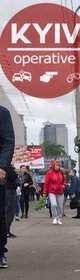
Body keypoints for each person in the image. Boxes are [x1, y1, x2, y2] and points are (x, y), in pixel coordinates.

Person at [0, 105, 15, 268]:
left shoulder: (2, 113)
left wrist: (2, 166)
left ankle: (0, 252)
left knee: (0, 213)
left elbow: (8, 142)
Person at [43, 160, 66, 225]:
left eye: (58, 166)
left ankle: (59, 218)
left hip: (60, 192)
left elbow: (64, 181)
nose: (57, 167)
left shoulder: (61, 173)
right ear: (53, 166)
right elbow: (46, 183)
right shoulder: (49, 173)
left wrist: (63, 185)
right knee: (54, 204)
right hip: (52, 191)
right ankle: (55, 218)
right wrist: (44, 192)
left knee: (60, 206)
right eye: (56, 165)